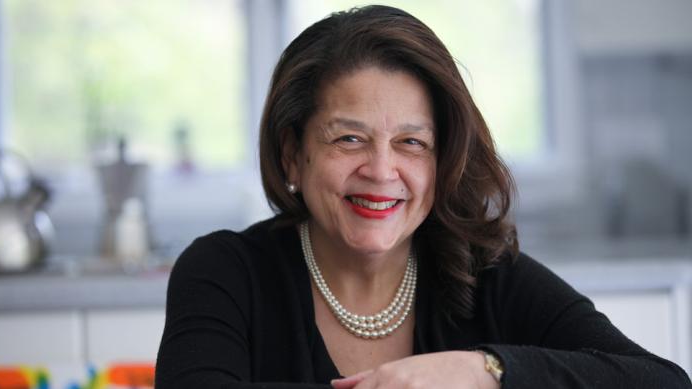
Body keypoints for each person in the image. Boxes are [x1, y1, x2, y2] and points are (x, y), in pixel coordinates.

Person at [155, 5, 692, 389]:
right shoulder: (223, 270)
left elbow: (661, 380)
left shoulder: (485, 275)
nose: (382, 170)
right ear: (294, 153)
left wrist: (483, 371)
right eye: (349, 139)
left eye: (411, 143)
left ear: (442, 160)